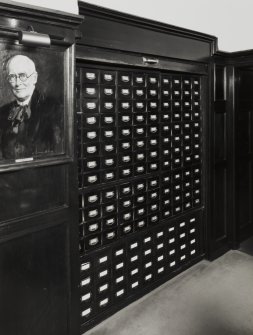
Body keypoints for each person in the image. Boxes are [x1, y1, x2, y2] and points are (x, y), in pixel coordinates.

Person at [0, 54, 62, 160]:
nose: (17, 83)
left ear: (34, 78)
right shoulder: (2, 112)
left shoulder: (54, 109)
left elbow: (58, 153)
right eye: (12, 77)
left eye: (22, 76)